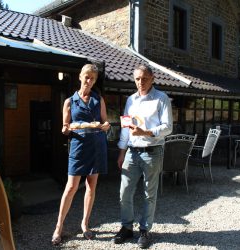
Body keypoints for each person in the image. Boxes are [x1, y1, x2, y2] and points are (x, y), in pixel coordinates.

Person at [113, 65, 172, 248]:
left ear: (152, 78)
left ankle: (145, 230)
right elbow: (126, 127)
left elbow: (168, 127)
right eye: (137, 79)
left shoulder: (161, 99)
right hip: (131, 151)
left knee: (149, 194)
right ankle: (126, 227)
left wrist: (145, 132)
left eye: (145, 78)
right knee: (125, 192)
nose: (141, 82)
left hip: (152, 152)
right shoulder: (131, 100)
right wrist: (122, 152)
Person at [51, 64, 111, 245]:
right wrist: (67, 128)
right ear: (80, 76)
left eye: (93, 78)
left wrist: (106, 126)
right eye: (87, 77)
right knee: (71, 187)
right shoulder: (70, 101)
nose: (89, 81)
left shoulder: (98, 99)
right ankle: (58, 227)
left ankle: (85, 224)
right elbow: (65, 127)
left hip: (97, 145)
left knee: (91, 186)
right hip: (78, 146)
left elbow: (105, 121)